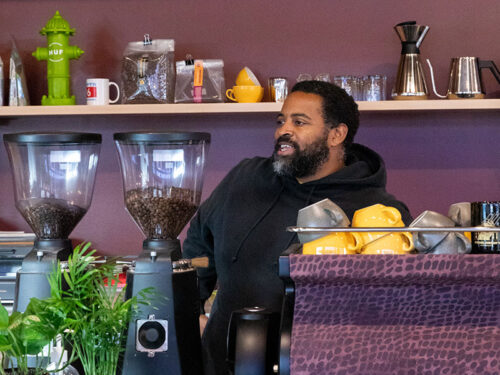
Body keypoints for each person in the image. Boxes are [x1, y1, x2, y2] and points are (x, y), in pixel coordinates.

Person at [182, 80, 413, 374]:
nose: (283, 131)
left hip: (318, 365)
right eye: (281, 120)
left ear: (336, 134)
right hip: (218, 364)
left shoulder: (376, 210)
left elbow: (385, 310)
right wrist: (189, 311)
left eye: (300, 122)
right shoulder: (245, 178)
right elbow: (199, 246)